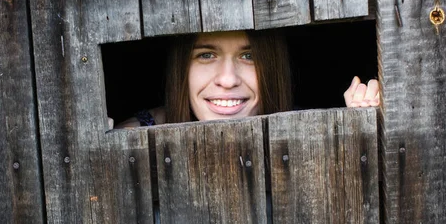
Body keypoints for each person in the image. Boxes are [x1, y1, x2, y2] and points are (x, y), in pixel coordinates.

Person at [112, 29, 380, 129]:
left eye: (249, 56)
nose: (228, 80)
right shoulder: (136, 136)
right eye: (206, 55)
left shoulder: (309, 128)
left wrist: (359, 125)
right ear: (181, 68)